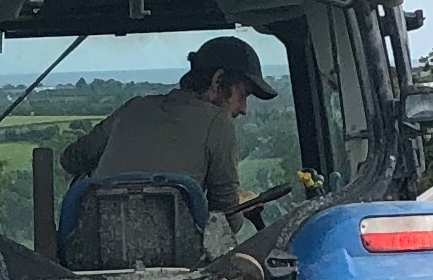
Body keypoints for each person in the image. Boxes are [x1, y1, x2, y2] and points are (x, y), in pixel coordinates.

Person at [60, 36, 275, 242]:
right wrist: (241, 207)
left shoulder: (134, 108)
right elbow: (226, 219)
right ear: (217, 81)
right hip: (177, 264)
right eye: (243, 95)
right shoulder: (219, 123)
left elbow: (71, 159)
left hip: (93, 256)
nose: (244, 109)